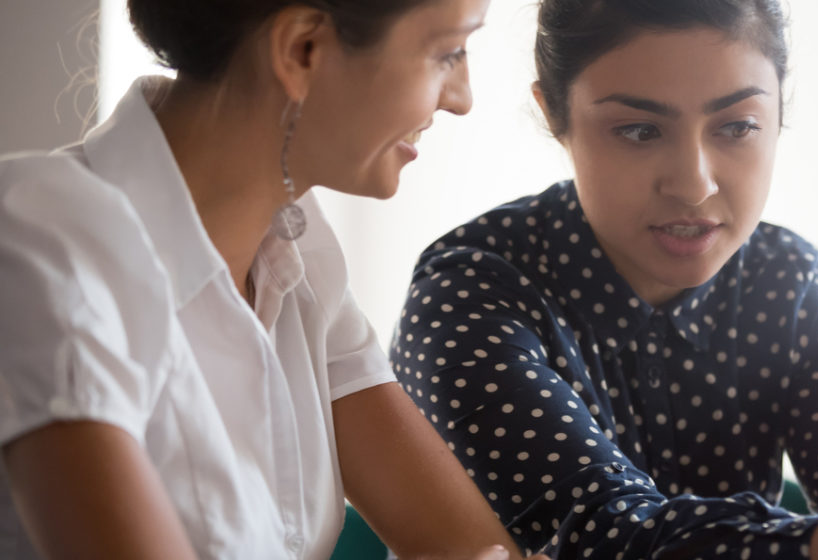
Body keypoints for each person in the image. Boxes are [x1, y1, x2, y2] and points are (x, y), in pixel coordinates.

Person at [391, 0, 818, 558]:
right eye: (640, 130)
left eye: (736, 127)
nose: (694, 183)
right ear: (556, 114)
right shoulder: (471, 294)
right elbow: (600, 535)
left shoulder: (791, 296)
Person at [0, 1, 546, 559]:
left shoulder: (298, 252)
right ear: (300, 50)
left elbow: (464, 545)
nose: (461, 98)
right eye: (446, 53)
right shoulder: (41, 241)